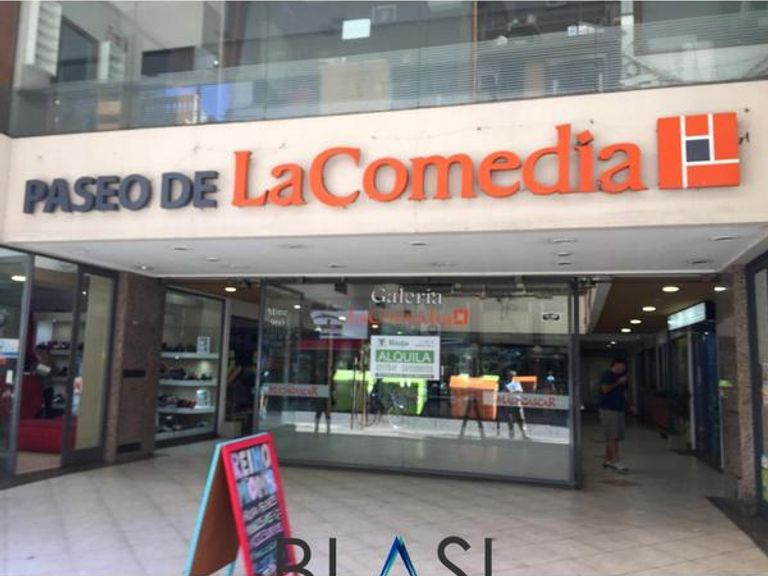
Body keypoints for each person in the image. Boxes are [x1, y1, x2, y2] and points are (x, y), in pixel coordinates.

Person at [599, 359, 629, 473]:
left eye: (624, 366)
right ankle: (616, 460)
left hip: (619, 408)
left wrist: (629, 404)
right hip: (608, 409)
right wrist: (618, 383)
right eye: (621, 365)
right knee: (613, 435)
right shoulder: (607, 375)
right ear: (615, 364)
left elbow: (625, 392)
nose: (623, 368)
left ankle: (609, 459)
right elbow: (605, 389)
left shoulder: (622, 377)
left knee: (613, 435)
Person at [501, 369, 529, 440]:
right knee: (510, 420)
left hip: (517, 403)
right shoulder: (505, 384)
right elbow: (504, 392)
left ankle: (524, 434)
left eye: (512, 376)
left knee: (521, 419)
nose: (511, 377)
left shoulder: (517, 383)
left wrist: (512, 392)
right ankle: (511, 435)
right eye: (510, 376)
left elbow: (519, 391)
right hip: (509, 404)